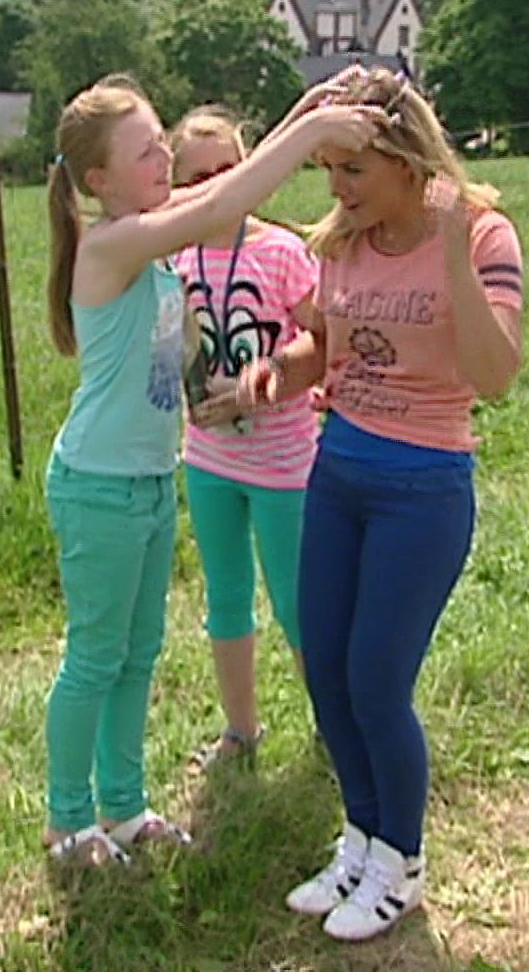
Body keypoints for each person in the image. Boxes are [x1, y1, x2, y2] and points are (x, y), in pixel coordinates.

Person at [39, 74, 382, 867]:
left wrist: (304, 113)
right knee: (94, 658)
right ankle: (67, 821)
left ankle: (123, 809)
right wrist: (315, 130)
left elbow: (226, 193)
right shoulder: (113, 244)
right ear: (99, 180)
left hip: (150, 483)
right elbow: (221, 203)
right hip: (98, 487)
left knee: (137, 655)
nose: (163, 158)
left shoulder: (148, 231)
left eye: (161, 143)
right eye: (145, 151)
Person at [237, 69, 525, 941]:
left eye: (351, 169)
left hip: (422, 491)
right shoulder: (341, 241)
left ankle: (403, 860)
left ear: (406, 160)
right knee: (325, 668)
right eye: (327, 169)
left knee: (376, 680)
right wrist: (278, 371)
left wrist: (450, 252)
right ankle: (360, 840)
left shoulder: (482, 232)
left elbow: (495, 374)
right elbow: (323, 347)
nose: (336, 188)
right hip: (339, 477)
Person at [165, 104, 323, 772]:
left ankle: (333, 726)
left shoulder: (283, 252)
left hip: (284, 463)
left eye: (230, 168)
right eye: (198, 177)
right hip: (209, 458)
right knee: (226, 597)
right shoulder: (176, 254)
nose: (217, 185)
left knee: (297, 601)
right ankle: (240, 729)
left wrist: (272, 381)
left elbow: (325, 341)